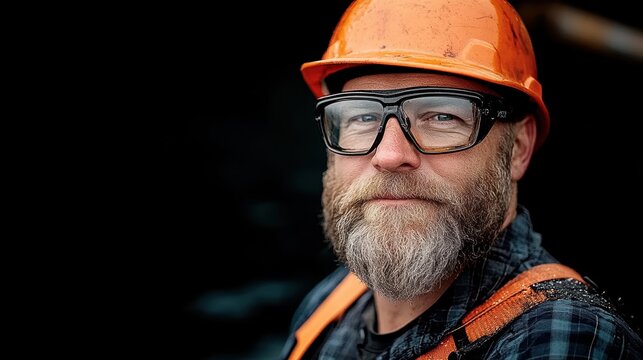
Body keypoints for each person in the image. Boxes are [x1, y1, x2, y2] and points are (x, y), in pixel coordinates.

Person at [279, 0, 643, 359]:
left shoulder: (563, 338)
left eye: (441, 116)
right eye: (361, 117)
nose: (389, 156)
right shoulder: (331, 302)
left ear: (518, 147)